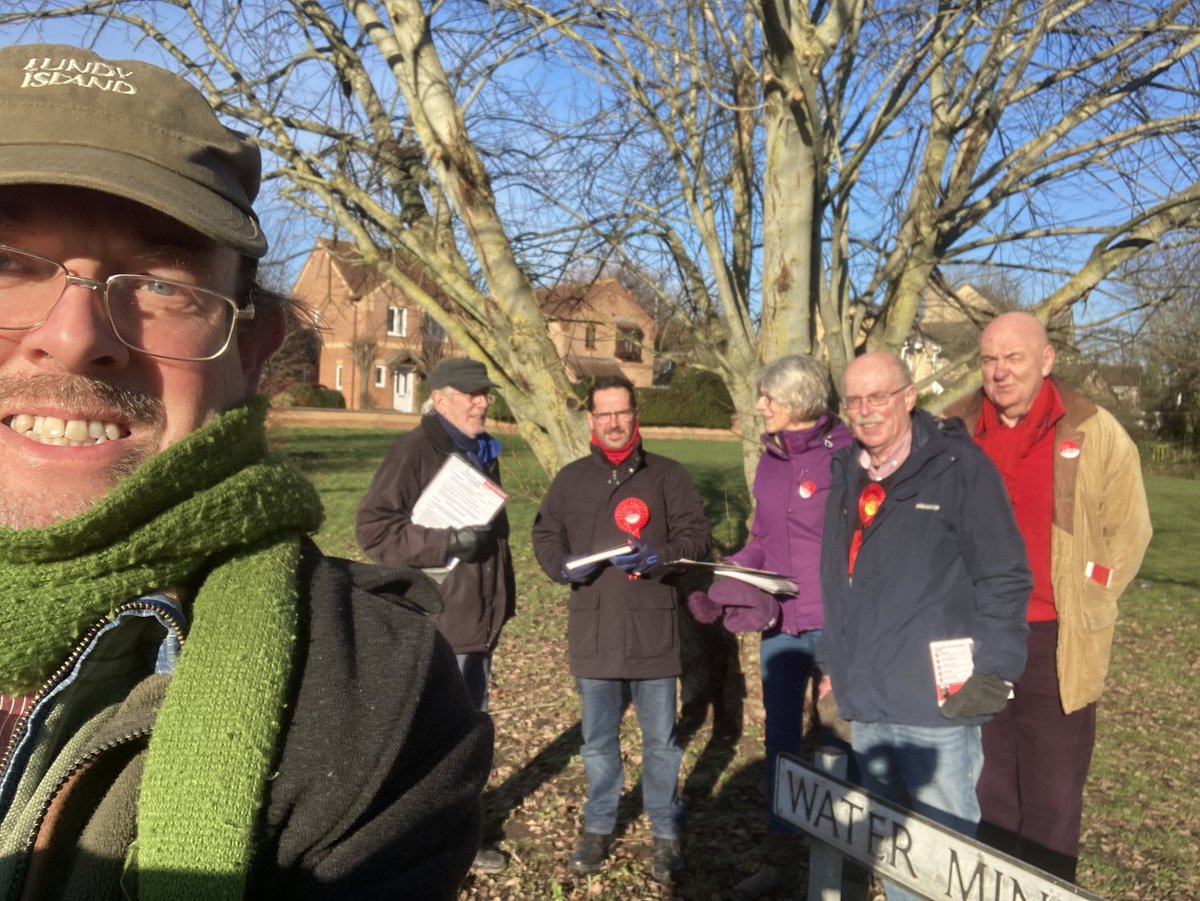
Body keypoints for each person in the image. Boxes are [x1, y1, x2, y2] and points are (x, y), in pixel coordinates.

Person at [0, 43, 491, 899]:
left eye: (161, 283)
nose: (77, 335)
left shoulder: (370, 709)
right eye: (4, 263)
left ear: (253, 350)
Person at [944, 311, 1152, 881]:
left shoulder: (1094, 430)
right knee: (983, 787)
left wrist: (1089, 596)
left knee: (1053, 798)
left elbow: (1130, 533)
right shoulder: (951, 429)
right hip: (972, 634)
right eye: (989, 359)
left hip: (1055, 640)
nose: (999, 371)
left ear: (1046, 361)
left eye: (1014, 358)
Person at [817, 352, 1031, 901]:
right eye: (854, 401)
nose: (865, 413)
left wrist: (997, 669)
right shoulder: (845, 472)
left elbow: (1005, 576)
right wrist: (831, 665)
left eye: (879, 397)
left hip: (935, 705)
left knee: (944, 857)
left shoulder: (959, 469)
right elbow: (838, 581)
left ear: (909, 397)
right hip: (865, 698)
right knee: (892, 851)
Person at [530, 374, 710, 885]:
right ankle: (599, 824)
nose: (613, 423)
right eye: (603, 414)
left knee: (661, 743)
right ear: (590, 419)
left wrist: (665, 555)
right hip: (593, 629)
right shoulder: (570, 479)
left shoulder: (668, 476)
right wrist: (561, 565)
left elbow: (697, 535)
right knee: (597, 742)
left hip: (653, 629)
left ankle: (666, 832)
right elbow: (544, 533)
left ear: (636, 416)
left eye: (622, 413)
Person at [686, 355, 851, 900]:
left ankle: (843, 865)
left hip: (837, 629)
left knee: (840, 742)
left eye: (768, 398)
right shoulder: (771, 460)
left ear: (799, 402)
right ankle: (778, 861)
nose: (759, 406)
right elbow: (761, 539)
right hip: (782, 626)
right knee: (780, 740)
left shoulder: (847, 456)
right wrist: (725, 582)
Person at [356, 356, 515, 872]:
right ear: (440, 398)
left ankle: (457, 836)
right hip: (439, 623)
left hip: (478, 619)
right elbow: (374, 531)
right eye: (470, 394)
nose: (482, 401)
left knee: (465, 735)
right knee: (436, 741)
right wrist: (447, 541)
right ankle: (422, 846)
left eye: (484, 393)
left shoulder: (480, 450)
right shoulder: (416, 451)